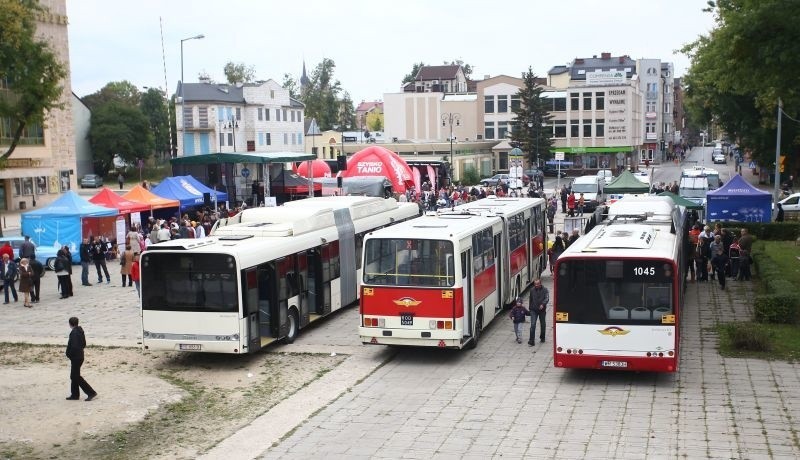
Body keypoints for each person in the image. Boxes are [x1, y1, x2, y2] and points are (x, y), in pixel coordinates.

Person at [65, 317, 97, 401]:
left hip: (76, 357)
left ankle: (91, 392)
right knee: (73, 376)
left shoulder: (74, 333)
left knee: (76, 376)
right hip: (79, 356)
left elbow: (74, 346)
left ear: (70, 324)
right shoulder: (80, 331)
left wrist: (69, 354)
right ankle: (75, 394)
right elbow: (84, 344)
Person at [528, 279, 549, 346]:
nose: (536, 285)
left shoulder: (545, 290)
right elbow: (530, 299)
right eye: (535, 284)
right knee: (533, 325)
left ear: (540, 284)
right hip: (533, 310)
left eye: (537, 284)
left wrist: (543, 304)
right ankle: (531, 340)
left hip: (542, 310)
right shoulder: (532, 290)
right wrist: (530, 309)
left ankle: (542, 337)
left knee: (543, 324)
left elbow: (547, 298)